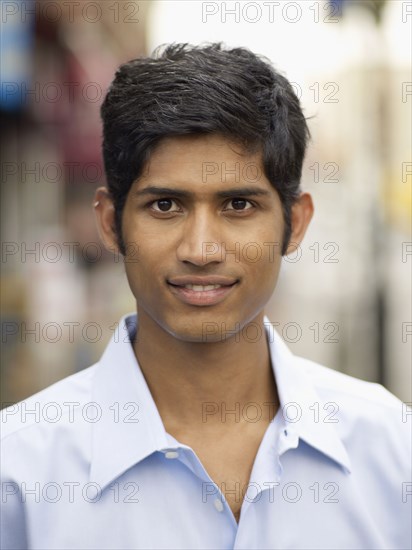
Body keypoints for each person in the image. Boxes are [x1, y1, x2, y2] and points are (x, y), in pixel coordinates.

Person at [1, 43, 410, 550]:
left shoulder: (391, 448)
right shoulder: (17, 472)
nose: (201, 250)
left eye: (238, 204)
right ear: (110, 223)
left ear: (296, 222)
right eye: (166, 205)